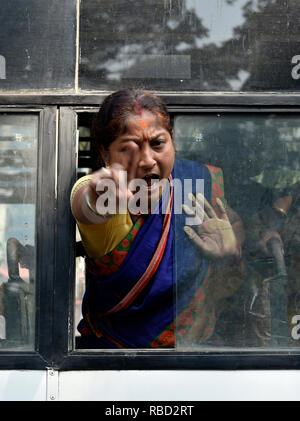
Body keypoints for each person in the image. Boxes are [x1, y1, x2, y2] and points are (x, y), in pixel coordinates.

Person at [71, 88, 245, 349]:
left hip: (197, 358)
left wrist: (230, 255)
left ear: (172, 140)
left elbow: (233, 271)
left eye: (157, 144)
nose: (146, 160)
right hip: (111, 363)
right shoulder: (105, 194)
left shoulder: (196, 184)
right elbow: (86, 202)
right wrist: (99, 192)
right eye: (128, 148)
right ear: (106, 155)